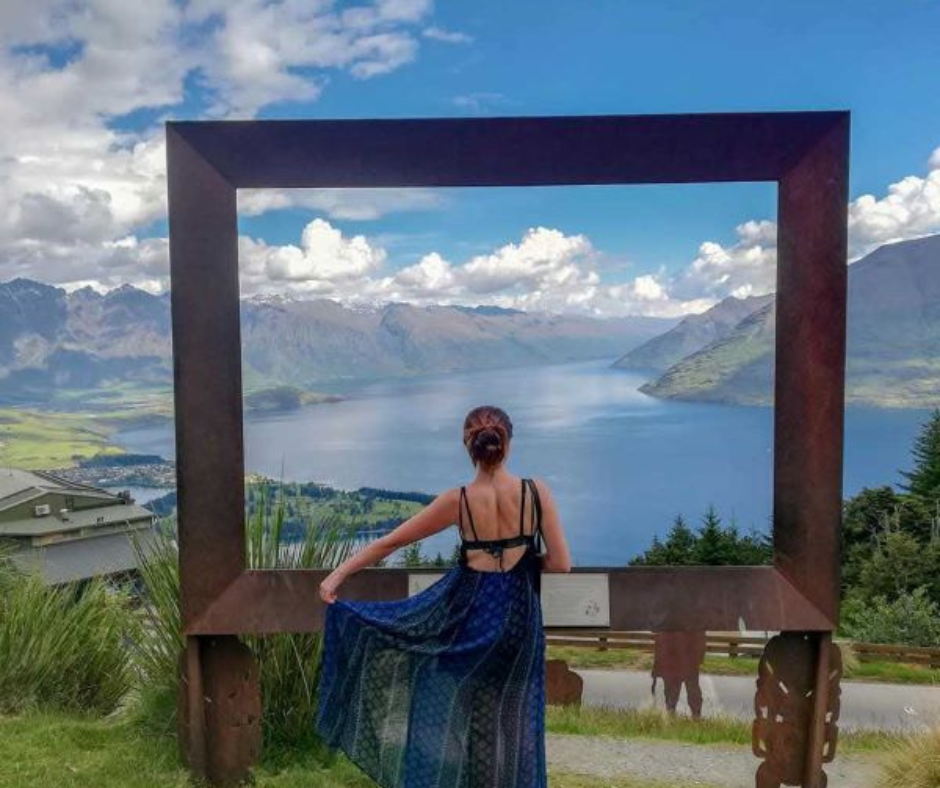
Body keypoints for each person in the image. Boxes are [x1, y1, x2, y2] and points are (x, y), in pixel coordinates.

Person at [316, 405, 572, 788]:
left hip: (473, 623)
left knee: (476, 719)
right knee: (518, 721)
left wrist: (336, 575)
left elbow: (391, 542)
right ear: (509, 442)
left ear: (467, 445)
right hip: (520, 627)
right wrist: (525, 562)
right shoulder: (536, 493)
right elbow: (562, 563)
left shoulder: (460, 500)